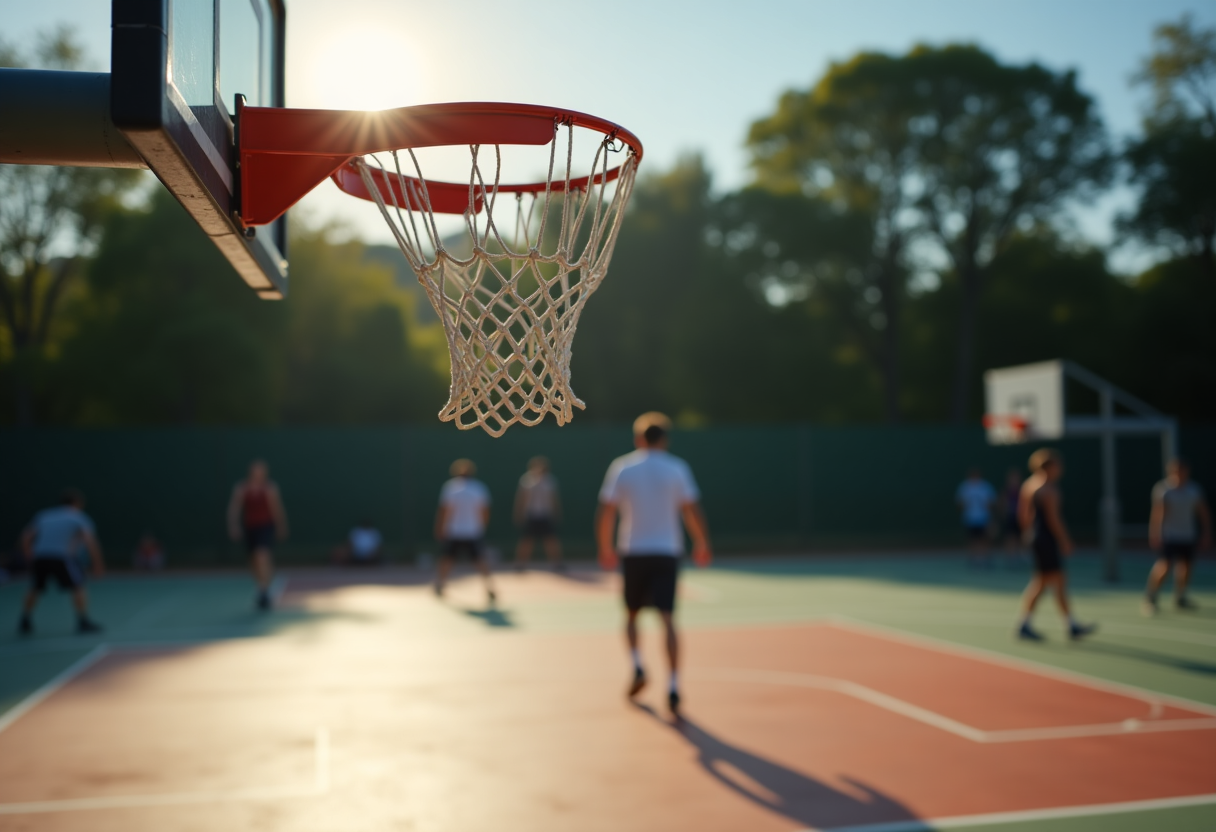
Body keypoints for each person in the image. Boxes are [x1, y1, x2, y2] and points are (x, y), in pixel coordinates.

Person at [597, 412, 712, 716]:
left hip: (633, 551)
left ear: (638, 439)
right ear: (665, 439)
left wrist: (605, 547)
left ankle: (637, 665)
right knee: (668, 619)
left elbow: (607, 511)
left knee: (632, 615)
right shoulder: (676, 468)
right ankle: (673, 684)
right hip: (666, 551)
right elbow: (691, 510)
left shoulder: (622, 467)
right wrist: (702, 543)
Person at [1015, 449, 1096, 642]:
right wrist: (1064, 540)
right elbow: (1054, 519)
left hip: (1036, 539)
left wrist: (1028, 535)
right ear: (1049, 467)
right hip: (1046, 540)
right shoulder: (1050, 489)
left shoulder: (1029, 485)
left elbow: (1023, 515)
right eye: (1058, 465)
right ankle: (1030, 624)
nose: (1060, 469)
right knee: (1049, 582)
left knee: (1048, 582)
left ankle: (1069, 624)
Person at [17, 489, 105, 635]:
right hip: (62, 557)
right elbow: (89, 540)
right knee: (78, 586)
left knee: (35, 588)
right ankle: (83, 621)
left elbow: (26, 536)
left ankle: (24, 619)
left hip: (40, 557)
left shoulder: (44, 515)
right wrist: (98, 564)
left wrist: (29, 555)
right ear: (78, 503)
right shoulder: (78, 517)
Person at [1144, 459, 1211, 614]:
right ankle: (1151, 597)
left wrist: (1206, 532)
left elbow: (1203, 512)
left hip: (1187, 535)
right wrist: (1155, 533)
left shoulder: (1194, 489)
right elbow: (1158, 513)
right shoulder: (1164, 489)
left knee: (1186, 566)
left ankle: (1180, 596)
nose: (1179, 473)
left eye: (1182, 470)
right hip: (1169, 535)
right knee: (1165, 565)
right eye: (1175, 470)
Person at [226, 459, 288, 611]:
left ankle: (264, 589)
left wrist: (281, 526)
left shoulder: (270, 488)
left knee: (262, 555)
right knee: (253, 560)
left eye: (261, 472)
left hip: (266, 526)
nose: (258, 475)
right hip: (250, 528)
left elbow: (276, 509)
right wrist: (234, 525)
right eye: (255, 472)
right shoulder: (241, 488)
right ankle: (261, 587)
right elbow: (234, 508)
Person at [434, 459, 496, 604]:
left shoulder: (451, 487)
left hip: (458, 531)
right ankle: (489, 588)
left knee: (450, 558)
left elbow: (443, 511)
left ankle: (440, 584)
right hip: (468, 531)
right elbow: (485, 511)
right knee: (475, 559)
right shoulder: (477, 488)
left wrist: (440, 528)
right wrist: (481, 526)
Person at [514, 456, 563, 572]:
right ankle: (520, 564)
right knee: (527, 540)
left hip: (545, 514)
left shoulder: (550, 480)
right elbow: (521, 499)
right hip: (531, 515)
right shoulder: (526, 480)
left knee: (551, 540)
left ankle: (557, 564)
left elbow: (554, 498)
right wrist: (518, 513)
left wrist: (556, 512)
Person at [956, 468, 996, 567]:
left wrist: (990, 517)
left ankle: (984, 560)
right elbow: (960, 503)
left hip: (983, 518)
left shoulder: (984, 486)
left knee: (984, 539)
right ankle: (974, 560)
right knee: (972, 540)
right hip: (970, 519)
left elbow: (990, 503)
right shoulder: (965, 486)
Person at [998, 469, 1025, 566]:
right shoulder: (1006, 491)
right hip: (1010, 517)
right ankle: (1010, 558)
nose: (1014, 480)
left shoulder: (1023, 490)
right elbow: (1002, 504)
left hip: (1021, 517)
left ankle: (1019, 556)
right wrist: (1003, 515)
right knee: (1010, 538)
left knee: (1021, 538)